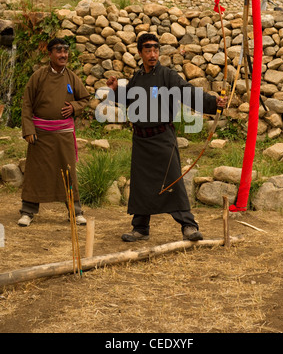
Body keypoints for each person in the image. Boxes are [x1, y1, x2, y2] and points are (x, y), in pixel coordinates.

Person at [107, 33, 227, 242]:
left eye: (155, 50)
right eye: (148, 50)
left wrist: (212, 102)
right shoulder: (137, 78)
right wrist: (116, 90)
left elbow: (187, 92)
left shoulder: (167, 76)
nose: (152, 54)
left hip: (163, 138)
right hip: (141, 140)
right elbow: (129, 99)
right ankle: (141, 228)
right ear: (140, 53)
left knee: (173, 180)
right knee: (141, 184)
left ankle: (189, 226)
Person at [18, 38, 90, 227]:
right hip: (40, 135)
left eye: (66, 51)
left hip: (63, 135)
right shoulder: (38, 76)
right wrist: (28, 128)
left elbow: (85, 98)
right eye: (59, 51)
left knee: (68, 172)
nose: (63, 54)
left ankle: (75, 211)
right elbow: (26, 103)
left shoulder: (72, 77)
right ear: (49, 54)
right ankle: (28, 211)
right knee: (36, 172)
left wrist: (74, 107)